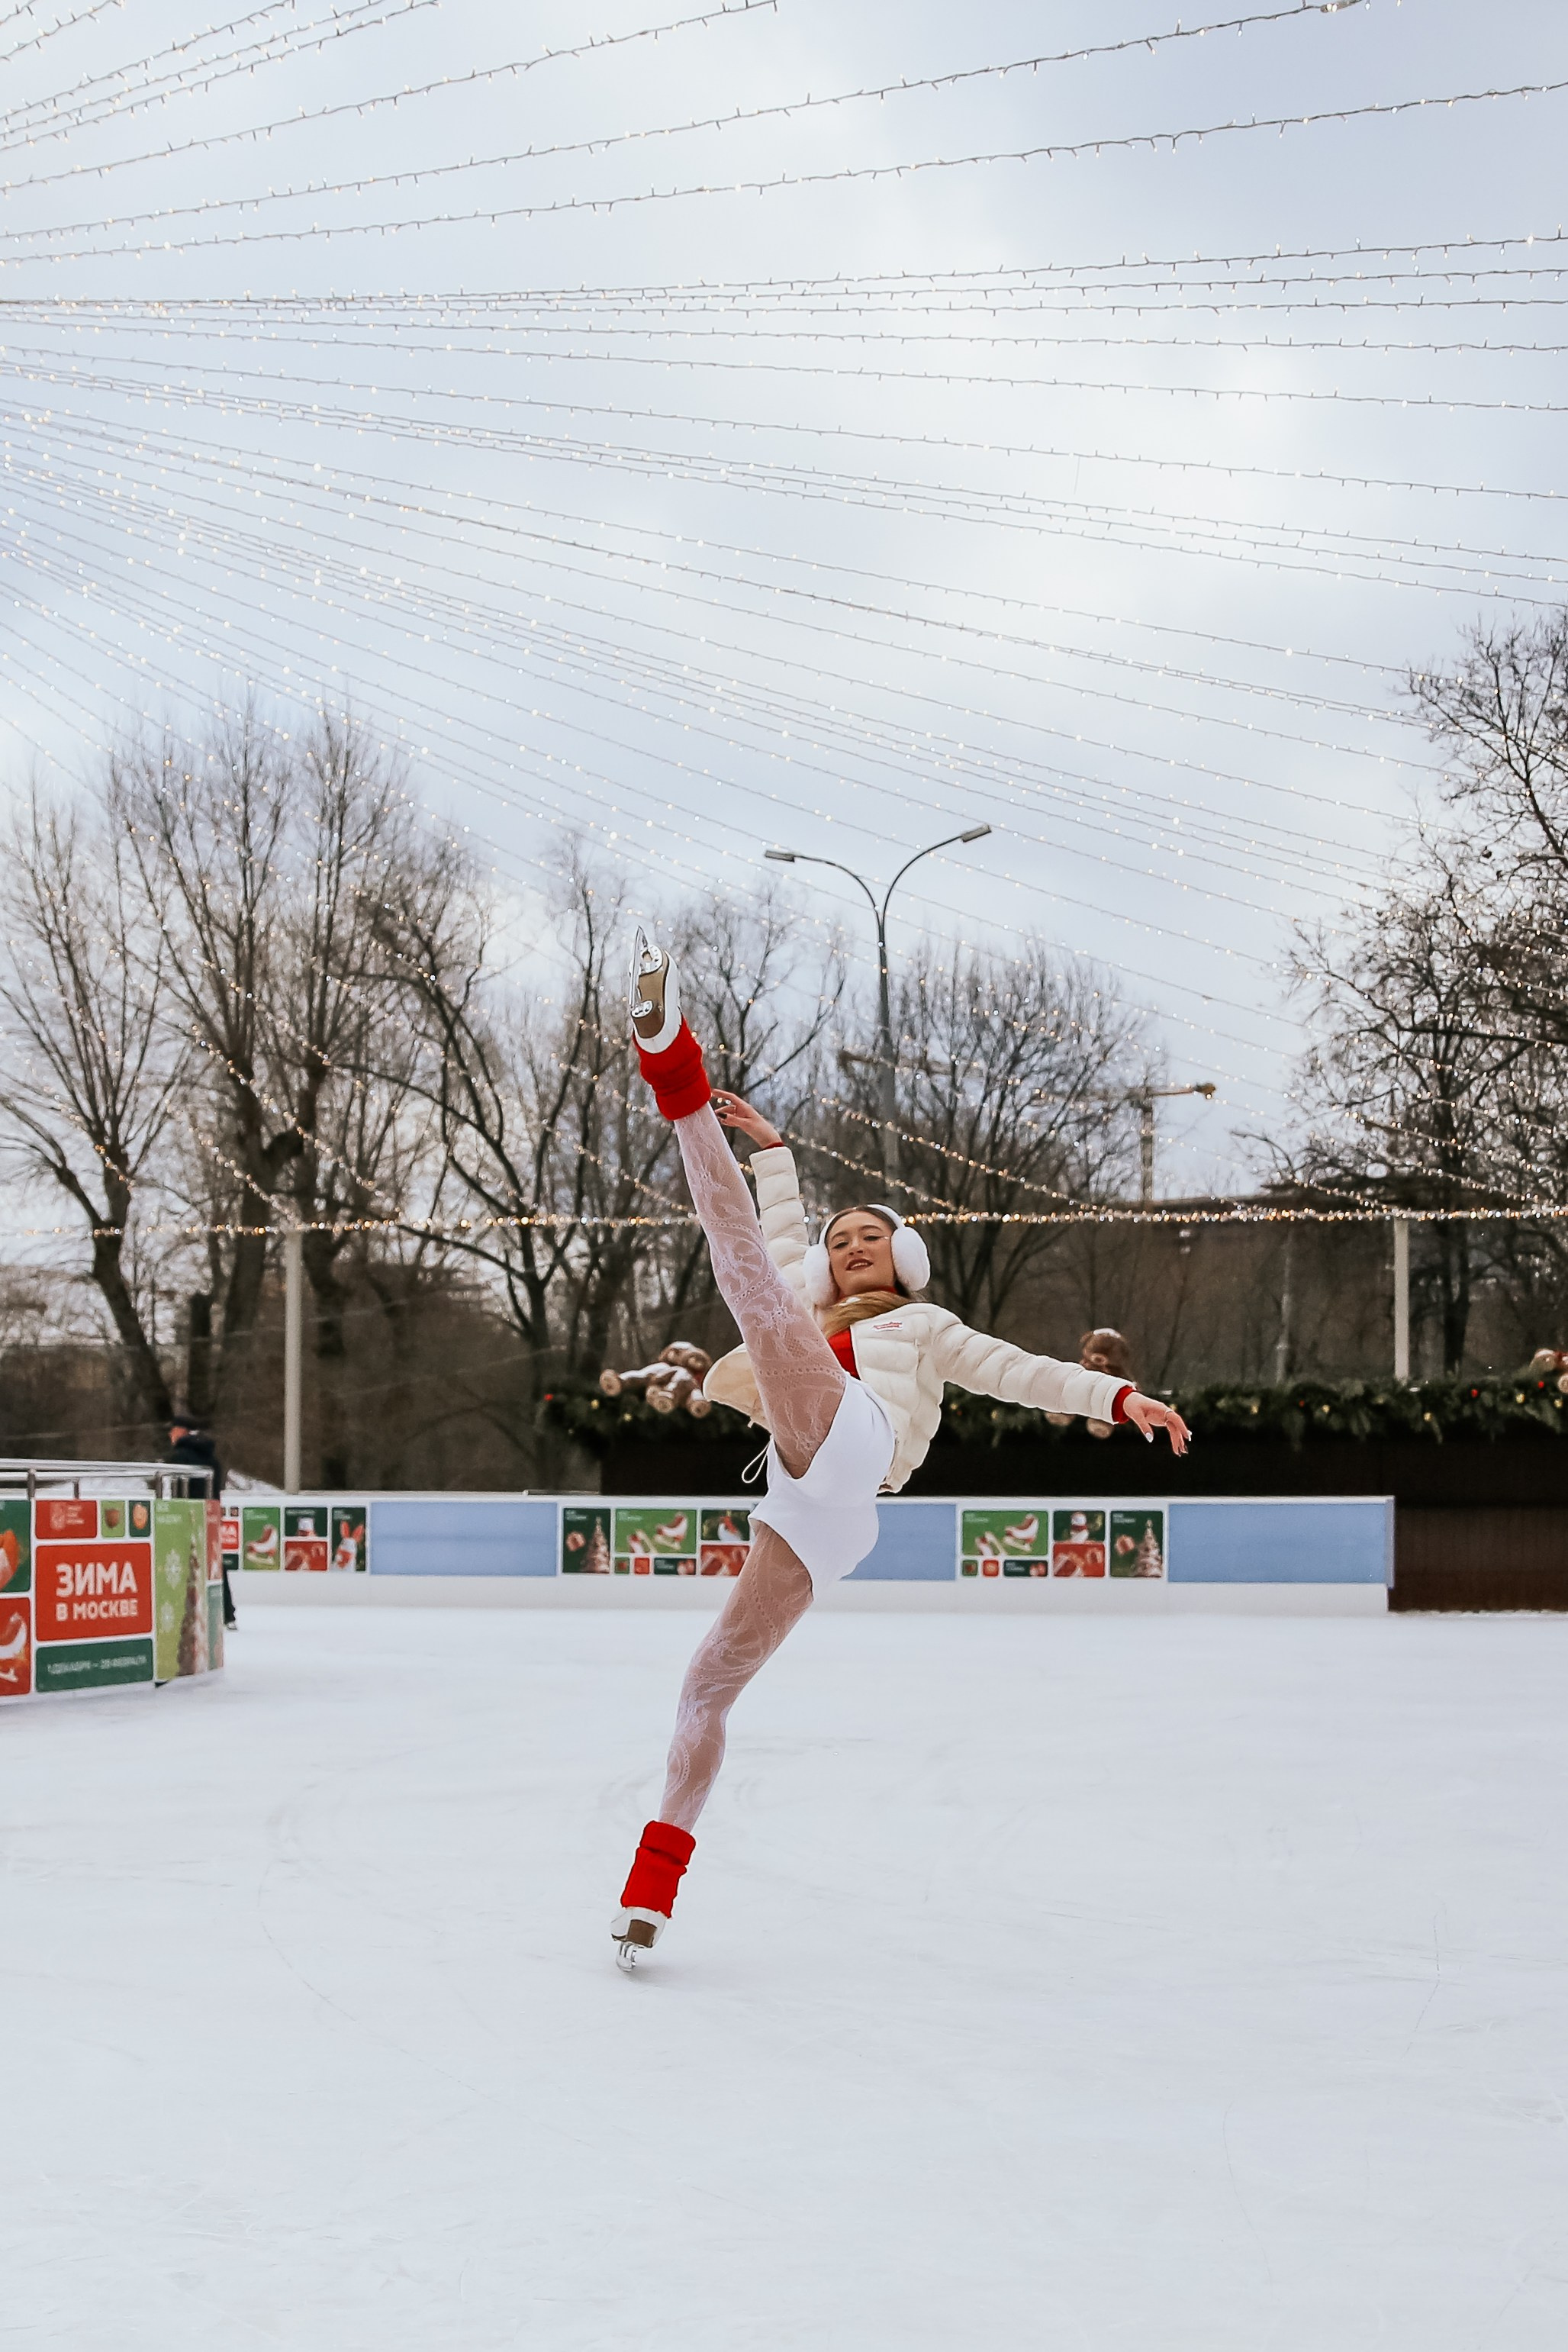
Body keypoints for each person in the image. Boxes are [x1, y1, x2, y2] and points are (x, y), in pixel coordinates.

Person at [611, 929, 1189, 1970]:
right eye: (837, 1241)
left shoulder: (918, 1329)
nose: (847, 1247)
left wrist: (1114, 1395)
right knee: (703, 1686)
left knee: (746, 1283)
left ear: (904, 1257)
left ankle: (671, 1065)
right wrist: (776, 1157)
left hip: (858, 1446)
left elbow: (1019, 1371)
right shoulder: (806, 1304)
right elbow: (777, 1239)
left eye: (867, 1237)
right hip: (807, 1506)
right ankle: (650, 1892)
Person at [165, 1412, 234, 1629]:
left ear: (181, 1432)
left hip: (186, 1516)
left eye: (173, 1430)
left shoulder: (180, 1457)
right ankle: (227, 1613)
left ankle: (181, 1610)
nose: (170, 1434)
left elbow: (176, 1490)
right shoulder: (211, 1458)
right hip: (209, 1514)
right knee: (213, 1563)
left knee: (181, 1562)